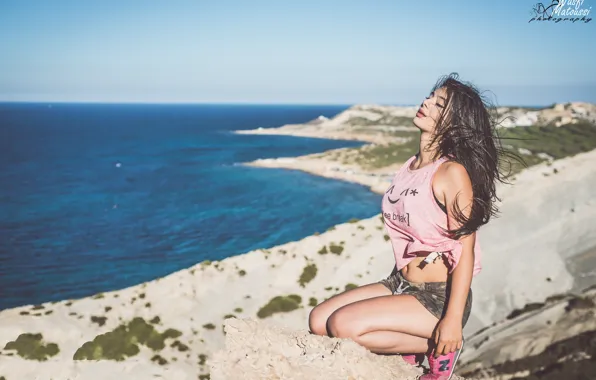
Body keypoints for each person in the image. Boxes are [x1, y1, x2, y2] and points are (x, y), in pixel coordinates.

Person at [308, 73, 510, 380]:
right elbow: (409, 235)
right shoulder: (409, 166)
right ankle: (412, 345)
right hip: (400, 282)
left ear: (454, 123)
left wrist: (452, 321)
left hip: (438, 298)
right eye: (430, 96)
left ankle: (440, 347)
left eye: (439, 104)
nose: (426, 103)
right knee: (319, 320)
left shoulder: (451, 173)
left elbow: (466, 250)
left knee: (342, 326)